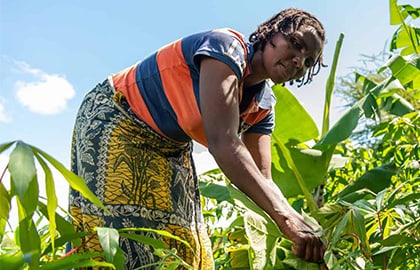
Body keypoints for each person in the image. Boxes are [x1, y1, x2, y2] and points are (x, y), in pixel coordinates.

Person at [69, 8, 326, 269]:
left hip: (170, 146)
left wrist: (299, 226)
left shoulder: (263, 106)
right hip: (119, 117)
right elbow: (223, 141)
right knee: (118, 235)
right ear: (271, 32)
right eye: (296, 44)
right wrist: (286, 218)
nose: (299, 61)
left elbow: (262, 177)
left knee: (186, 243)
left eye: (308, 62)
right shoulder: (225, 49)